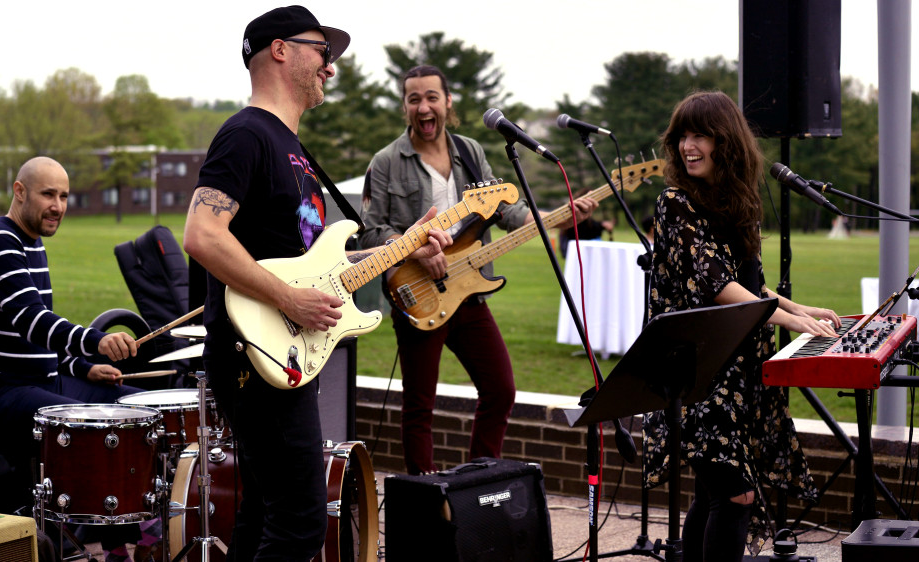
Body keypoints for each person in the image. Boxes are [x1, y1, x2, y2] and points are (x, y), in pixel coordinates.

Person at [181, 7, 451, 559]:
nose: (330, 67)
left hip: (278, 350)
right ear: (281, 50)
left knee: (264, 512)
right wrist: (288, 299)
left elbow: (318, 265)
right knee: (303, 520)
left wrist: (405, 247)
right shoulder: (246, 134)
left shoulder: (292, 148)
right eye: (322, 51)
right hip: (253, 351)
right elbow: (203, 234)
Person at [360, 64, 599, 475]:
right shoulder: (386, 162)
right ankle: (426, 495)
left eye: (432, 96)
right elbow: (368, 233)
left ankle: (480, 484)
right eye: (414, 98)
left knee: (501, 391)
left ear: (447, 102)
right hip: (416, 292)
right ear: (405, 106)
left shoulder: (470, 152)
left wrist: (554, 216)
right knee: (420, 406)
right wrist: (414, 250)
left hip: (470, 292)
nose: (423, 106)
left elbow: (506, 209)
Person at [641, 91, 841, 561]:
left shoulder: (736, 204)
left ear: (725, 142)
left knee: (715, 495)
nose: (689, 146)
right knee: (736, 497)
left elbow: (753, 287)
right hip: (697, 371)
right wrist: (791, 320)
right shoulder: (675, 202)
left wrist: (804, 309)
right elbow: (716, 287)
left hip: (737, 369)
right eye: (683, 136)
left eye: (701, 135)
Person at [0, 156, 159, 562]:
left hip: (39, 382)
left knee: (138, 407)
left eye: (64, 196)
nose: (58, 205)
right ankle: (119, 540)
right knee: (96, 421)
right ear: (20, 191)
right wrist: (96, 342)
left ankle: (130, 528)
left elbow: (36, 341)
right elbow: (33, 322)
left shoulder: (32, 244)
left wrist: (85, 368)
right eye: (48, 194)